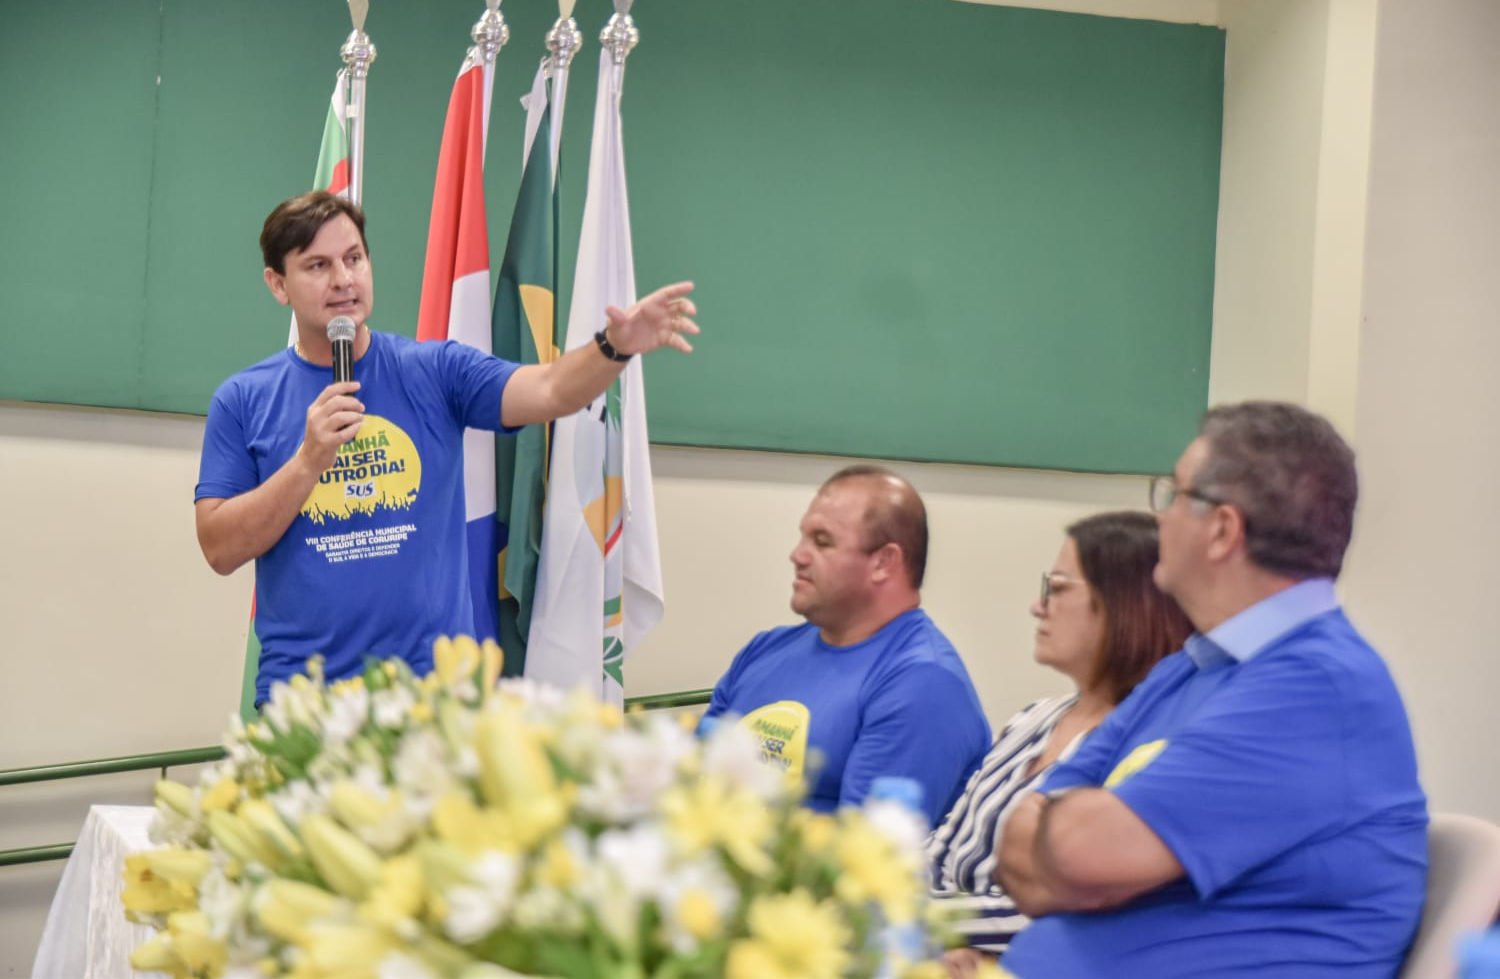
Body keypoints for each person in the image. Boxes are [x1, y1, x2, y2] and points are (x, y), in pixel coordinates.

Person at [195, 191, 698, 704]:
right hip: (306, 704)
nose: (344, 280)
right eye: (318, 266)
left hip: (432, 701)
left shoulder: (435, 371)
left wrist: (613, 346)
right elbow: (219, 548)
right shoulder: (242, 401)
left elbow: (550, 390)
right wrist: (307, 462)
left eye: (354, 258)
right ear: (277, 284)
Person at [995, 401, 1428, 978]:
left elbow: (1080, 854)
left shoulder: (1315, 687)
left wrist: (1078, 854)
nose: (1161, 517)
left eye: (1174, 495)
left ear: (1222, 530)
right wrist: (1083, 857)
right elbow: (1020, 836)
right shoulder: (1192, 666)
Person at [932, 511, 1190, 977]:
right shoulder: (1033, 719)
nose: (1039, 605)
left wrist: (920, 923)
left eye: (1059, 587)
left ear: (1123, 605)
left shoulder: (1149, 748)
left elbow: (1063, 901)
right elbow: (946, 843)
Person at [701, 465, 990, 827]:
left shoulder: (924, 684)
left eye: (822, 542)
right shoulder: (764, 649)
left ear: (884, 563)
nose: (797, 555)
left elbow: (861, 859)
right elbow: (693, 785)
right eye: (802, 537)